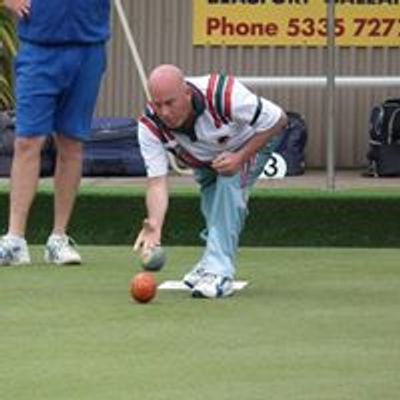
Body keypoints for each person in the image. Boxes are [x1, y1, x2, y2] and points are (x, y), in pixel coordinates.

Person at [134, 64, 288, 298]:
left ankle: (219, 271)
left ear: (186, 93)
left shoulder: (223, 95)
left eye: (170, 103)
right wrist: (155, 224)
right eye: (158, 104)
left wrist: (240, 157)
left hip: (250, 143)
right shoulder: (150, 125)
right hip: (206, 158)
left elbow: (279, 119)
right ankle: (209, 261)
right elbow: (157, 182)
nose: (164, 112)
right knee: (211, 197)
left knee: (229, 184)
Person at [0, 0, 110, 266]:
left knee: (71, 143)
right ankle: (15, 239)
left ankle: (58, 238)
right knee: (27, 141)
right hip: (38, 48)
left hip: (88, 47)